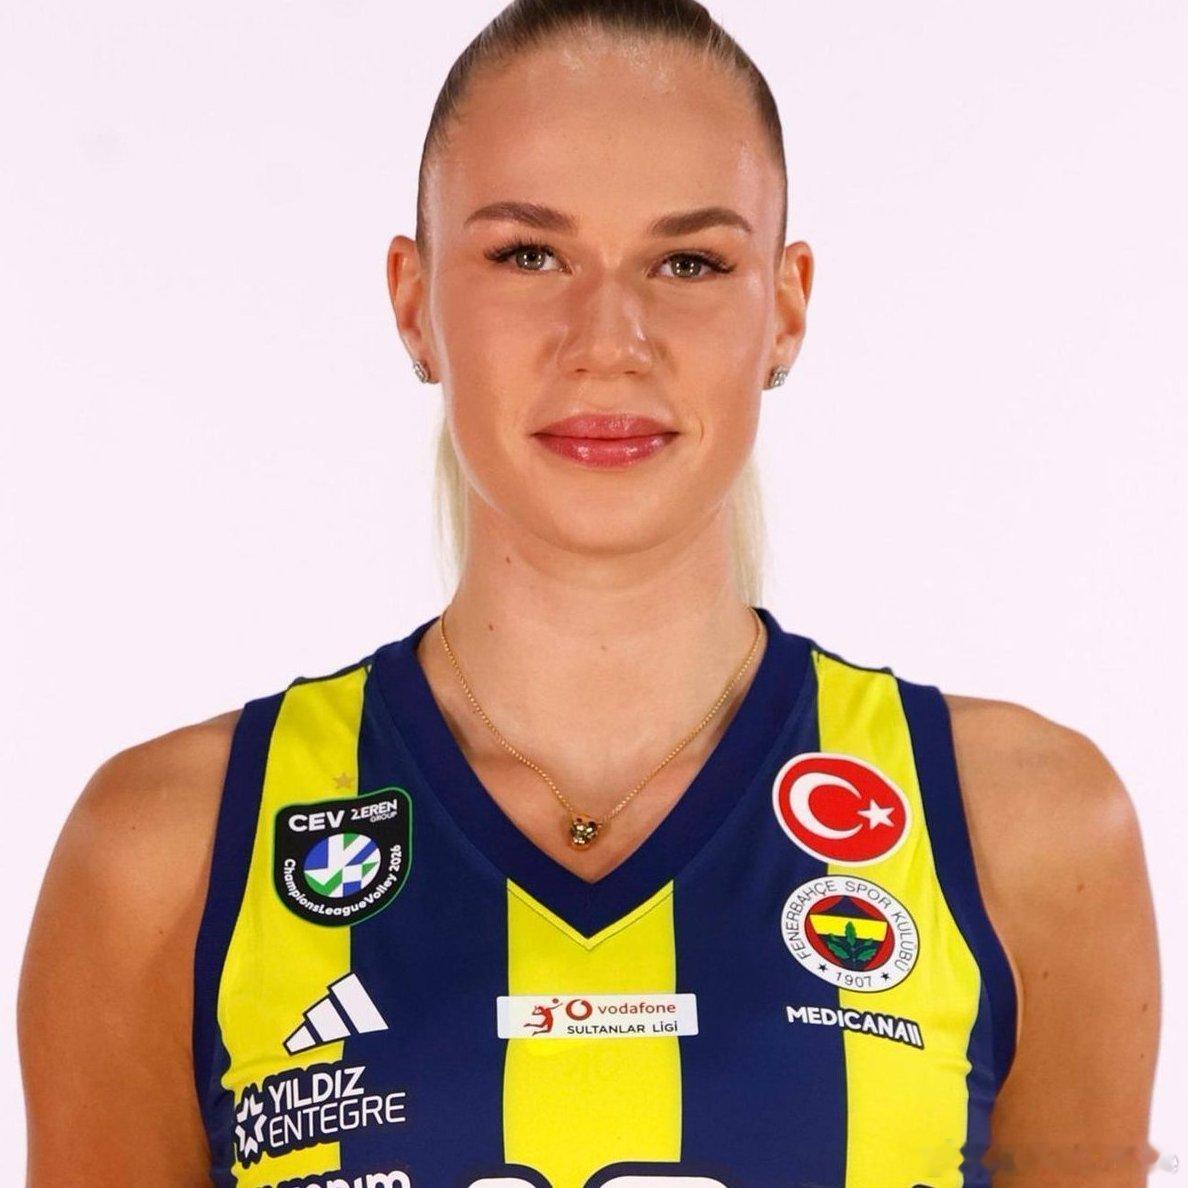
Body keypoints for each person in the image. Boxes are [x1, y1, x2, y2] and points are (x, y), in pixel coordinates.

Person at [19, 1, 1161, 1185]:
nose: (609, 339)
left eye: (689, 262)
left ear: (785, 308)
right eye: (528, 254)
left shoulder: (1025, 830)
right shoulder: (170, 853)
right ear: (413, 301)